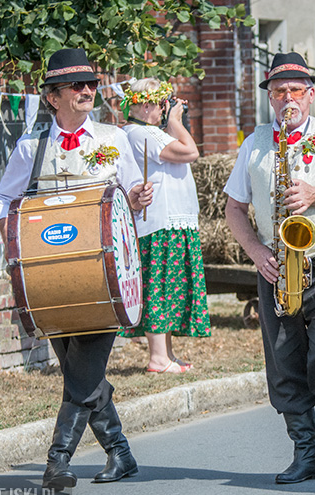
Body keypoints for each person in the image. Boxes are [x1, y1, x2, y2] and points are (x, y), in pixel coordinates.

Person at [0, 48, 153, 490]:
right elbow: (2, 200)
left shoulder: (114, 138)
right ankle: (121, 454)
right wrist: (12, 234)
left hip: (105, 272)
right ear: (52, 97)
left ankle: (57, 461)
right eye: (76, 85)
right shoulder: (31, 146)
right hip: (51, 275)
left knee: (83, 369)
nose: (87, 91)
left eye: (91, 84)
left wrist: (137, 199)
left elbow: (131, 194)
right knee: (83, 371)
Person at [224, 52, 315, 484]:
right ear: (270, 96)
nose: (288, 98)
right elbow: (234, 208)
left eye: (295, 90)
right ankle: (305, 452)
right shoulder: (256, 142)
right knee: (284, 365)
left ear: (310, 94)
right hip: (277, 268)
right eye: (279, 91)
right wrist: (255, 251)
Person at [116, 78, 211, 373]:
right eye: (159, 104)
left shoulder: (146, 133)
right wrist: (175, 121)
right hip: (160, 223)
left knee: (170, 287)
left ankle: (166, 354)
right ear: (146, 106)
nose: (163, 110)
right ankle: (158, 357)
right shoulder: (141, 133)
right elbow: (189, 151)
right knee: (159, 286)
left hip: (172, 221)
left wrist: (169, 121)